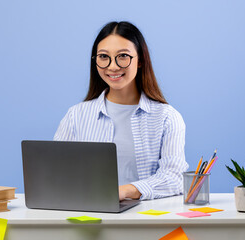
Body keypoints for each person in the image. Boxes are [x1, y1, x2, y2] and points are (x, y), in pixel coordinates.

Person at [53, 21, 188, 201]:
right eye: (103, 56)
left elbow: (175, 177)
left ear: (140, 60)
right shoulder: (76, 116)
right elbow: (56, 172)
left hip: (147, 220)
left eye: (123, 56)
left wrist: (124, 191)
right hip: (89, 215)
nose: (113, 66)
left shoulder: (167, 117)